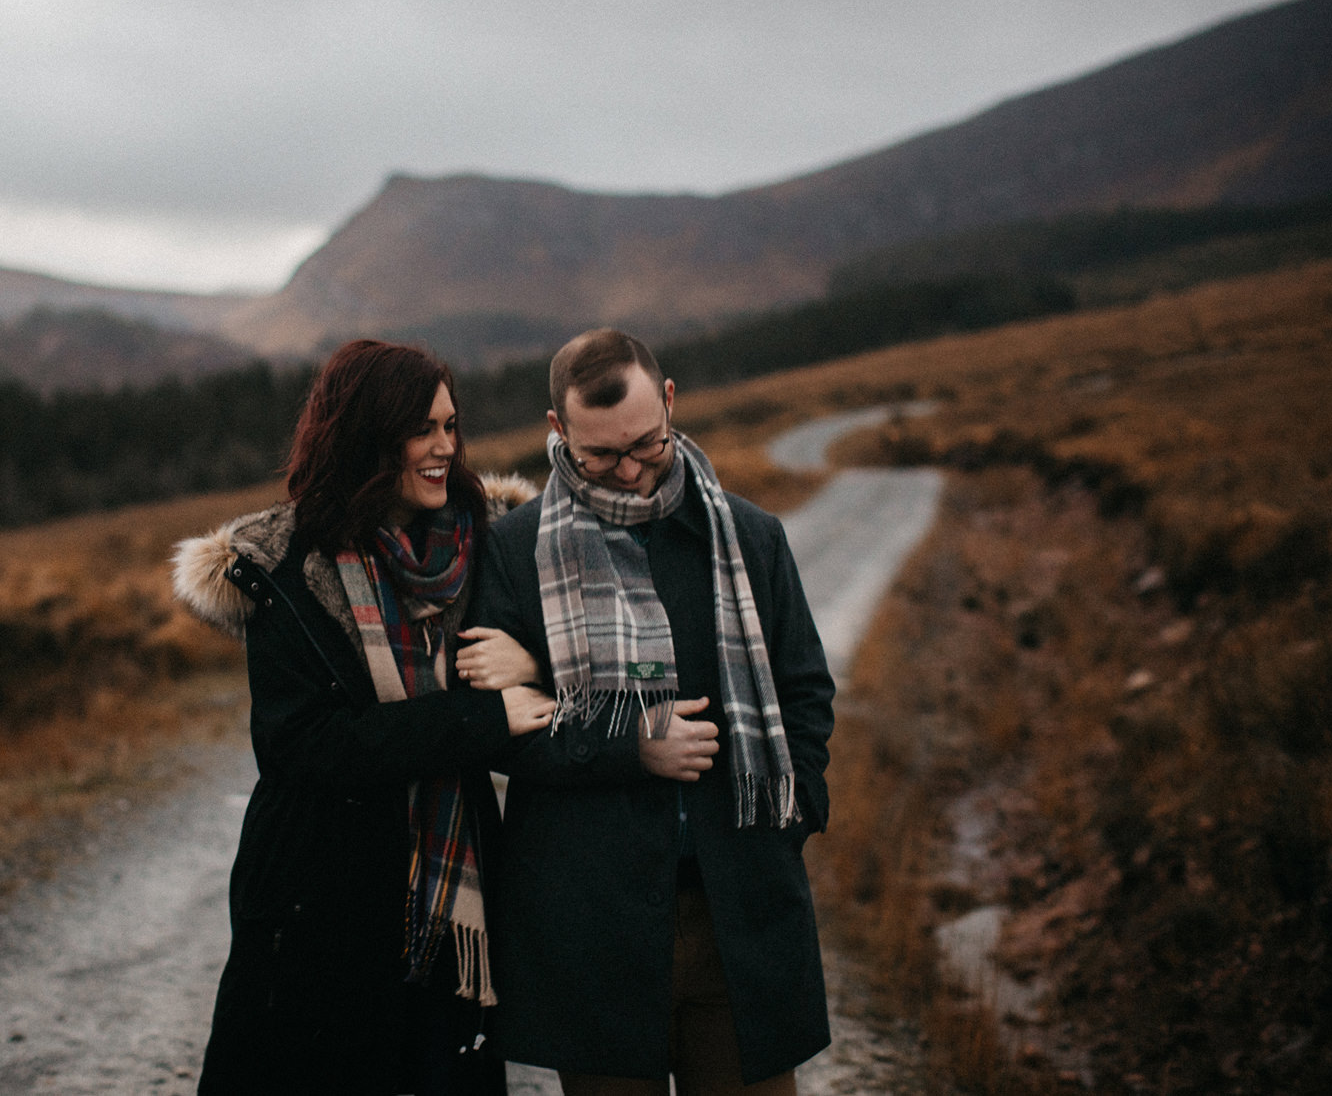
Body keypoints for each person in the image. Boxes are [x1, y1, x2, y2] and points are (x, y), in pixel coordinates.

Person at [172, 339, 555, 1095]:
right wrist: (480, 719)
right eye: (424, 428)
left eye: (452, 424)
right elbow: (302, 747)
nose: (447, 446)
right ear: (368, 436)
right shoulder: (282, 566)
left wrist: (532, 663)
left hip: (449, 908)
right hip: (319, 907)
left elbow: (567, 671)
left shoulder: (491, 544)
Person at [462, 328, 836, 1094]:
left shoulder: (751, 537)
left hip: (738, 912)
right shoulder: (513, 550)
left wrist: (793, 818)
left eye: (647, 445)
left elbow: (805, 693)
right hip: (594, 920)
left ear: (668, 402)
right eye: (602, 456)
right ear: (558, 430)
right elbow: (498, 732)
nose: (630, 472)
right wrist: (630, 741)